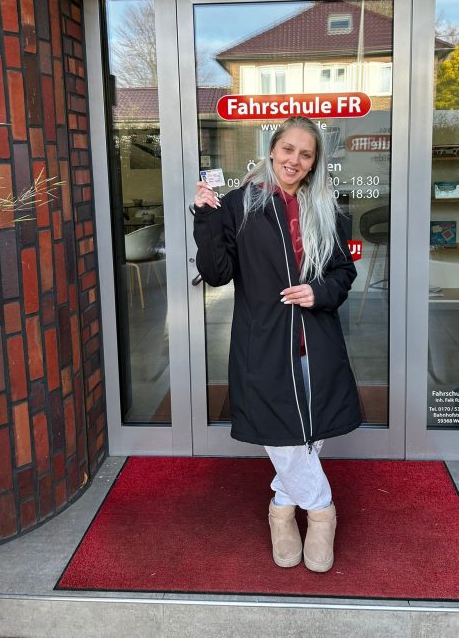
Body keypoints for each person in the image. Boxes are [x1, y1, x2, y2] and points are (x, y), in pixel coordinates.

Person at [192, 116, 361, 573]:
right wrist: (205, 218)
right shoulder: (240, 204)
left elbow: (343, 272)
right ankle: (321, 513)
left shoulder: (325, 206)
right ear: (272, 150)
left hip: (317, 340)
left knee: (312, 430)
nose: (294, 160)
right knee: (284, 435)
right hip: (264, 341)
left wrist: (318, 292)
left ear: (314, 163)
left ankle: (281, 511)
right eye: (288, 149)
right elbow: (216, 273)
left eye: (306, 154)